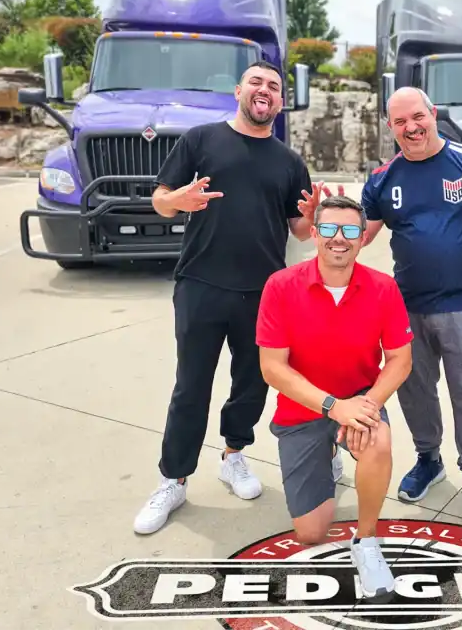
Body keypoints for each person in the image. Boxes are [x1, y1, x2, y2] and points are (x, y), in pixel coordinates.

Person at [133, 59, 338, 536]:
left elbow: (301, 232)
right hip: (201, 284)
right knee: (191, 387)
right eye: (256, 83)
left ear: (281, 102)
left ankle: (234, 456)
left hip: (264, 293)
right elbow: (161, 199)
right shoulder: (201, 140)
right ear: (239, 91)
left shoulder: (289, 162)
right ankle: (174, 479)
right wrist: (175, 201)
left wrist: (311, 216)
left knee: (252, 384)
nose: (264, 90)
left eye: (273, 86)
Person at [360, 86, 462, 538]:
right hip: (405, 309)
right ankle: (428, 458)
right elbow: (361, 236)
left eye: (417, 117)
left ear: (433, 114)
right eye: (399, 122)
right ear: (389, 128)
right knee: (415, 391)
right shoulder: (383, 178)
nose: (411, 128)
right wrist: (326, 222)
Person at [257, 194, 414, 600]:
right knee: (310, 533)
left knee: (378, 439)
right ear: (314, 234)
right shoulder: (281, 285)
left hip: (360, 400)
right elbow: (272, 368)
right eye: (328, 228)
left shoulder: (383, 288)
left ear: (363, 237)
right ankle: (329, 454)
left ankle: (366, 541)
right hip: (304, 410)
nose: (338, 238)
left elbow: (400, 360)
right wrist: (333, 407)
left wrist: (369, 405)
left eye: (349, 230)